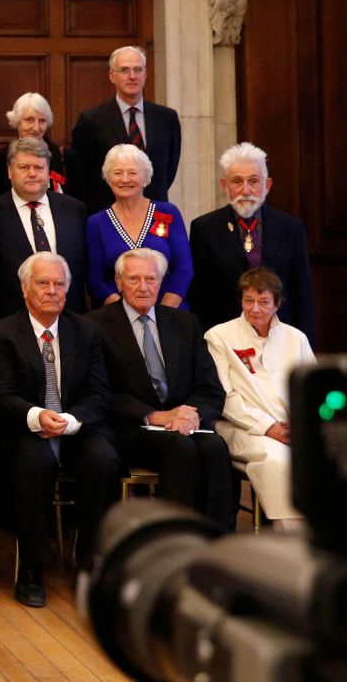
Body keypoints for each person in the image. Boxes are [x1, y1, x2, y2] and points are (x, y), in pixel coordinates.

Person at [0, 252, 118, 608]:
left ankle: (90, 565)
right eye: (43, 283)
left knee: (103, 459)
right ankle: (31, 569)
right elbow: (0, 397)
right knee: (34, 462)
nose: (52, 291)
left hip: (75, 426)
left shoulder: (87, 330)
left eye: (60, 284)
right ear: (25, 288)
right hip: (24, 429)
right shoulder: (2, 334)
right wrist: (38, 416)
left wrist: (71, 421)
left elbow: (100, 394)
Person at [89, 248, 229, 526]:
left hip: (183, 426)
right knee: (181, 448)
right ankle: (172, 543)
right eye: (134, 279)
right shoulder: (95, 325)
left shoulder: (185, 323)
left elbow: (210, 387)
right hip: (129, 429)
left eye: (151, 279)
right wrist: (155, 416)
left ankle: (216, 542)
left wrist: (192, 413)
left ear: (161, 282)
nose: (143, 287)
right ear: (118, 282)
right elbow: (100, 393)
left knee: (215, 447)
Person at [205, 268, 316, 530]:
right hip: (243, 428)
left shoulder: (295, 337)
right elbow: (225, 395)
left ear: (277, 303)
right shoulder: (218, 336)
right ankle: (291, 538)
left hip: (291, 430)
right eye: (248, 300)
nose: (255, 309)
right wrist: (268, 427)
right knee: (278, 460)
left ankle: (325, 537)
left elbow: (309, 390)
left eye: (263, 301)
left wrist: (300, 428)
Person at [188, 142, 315, 339]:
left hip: (280, 336)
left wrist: (305, 344)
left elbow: (303, 294)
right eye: (237, 181)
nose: (245, 190)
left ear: (267, 185)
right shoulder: (204, 229)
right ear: (224, 185)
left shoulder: (291, 228)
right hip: (225, 339)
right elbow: (199, 297)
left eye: (253, 181)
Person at [0, 138, 88, 326]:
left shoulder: (74, 210)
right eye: (24, 167)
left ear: (48, 171)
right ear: (10, 171)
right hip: (11, 324)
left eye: (39, 168)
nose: (32, 174)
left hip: (70, 322)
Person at [69, 45, 182, 212]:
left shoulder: (167, 118)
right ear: (112, 76)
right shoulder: (91, 120)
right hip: (107, 214)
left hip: (155, 213)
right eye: (124, 70)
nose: (132, 76)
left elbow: (169, 170)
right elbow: (80, 174)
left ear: (145, 74)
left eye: (138, 69)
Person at [84, 144, 192, 308]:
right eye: (118, 173)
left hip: (170, 312)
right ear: (109, 178)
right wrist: (125, 315)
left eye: (132, 173)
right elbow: (95, 280)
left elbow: (184, 268)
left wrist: (163, 313)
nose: (125, 179)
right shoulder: (96, 222)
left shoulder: (168, 212)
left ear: (146, 178)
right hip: (117, 318)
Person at [0, 92, 68, 198]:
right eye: (29, 120)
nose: (36, 128)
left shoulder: (66, 157)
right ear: (17, 121)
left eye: (42, 120)